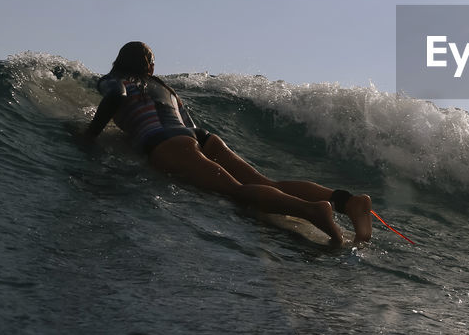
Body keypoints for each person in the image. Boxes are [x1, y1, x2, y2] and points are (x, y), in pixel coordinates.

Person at [79, 41, 373, 245]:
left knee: (238, 192)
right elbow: (185, 123)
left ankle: (313, 211)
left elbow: (116, 97)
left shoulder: (115, 78)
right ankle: (347, 201)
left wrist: (90, 135)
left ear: (118, 61)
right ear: (150, 68)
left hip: (167, 142)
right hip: (199, 136)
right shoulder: (164, 89)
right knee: (266, 181)